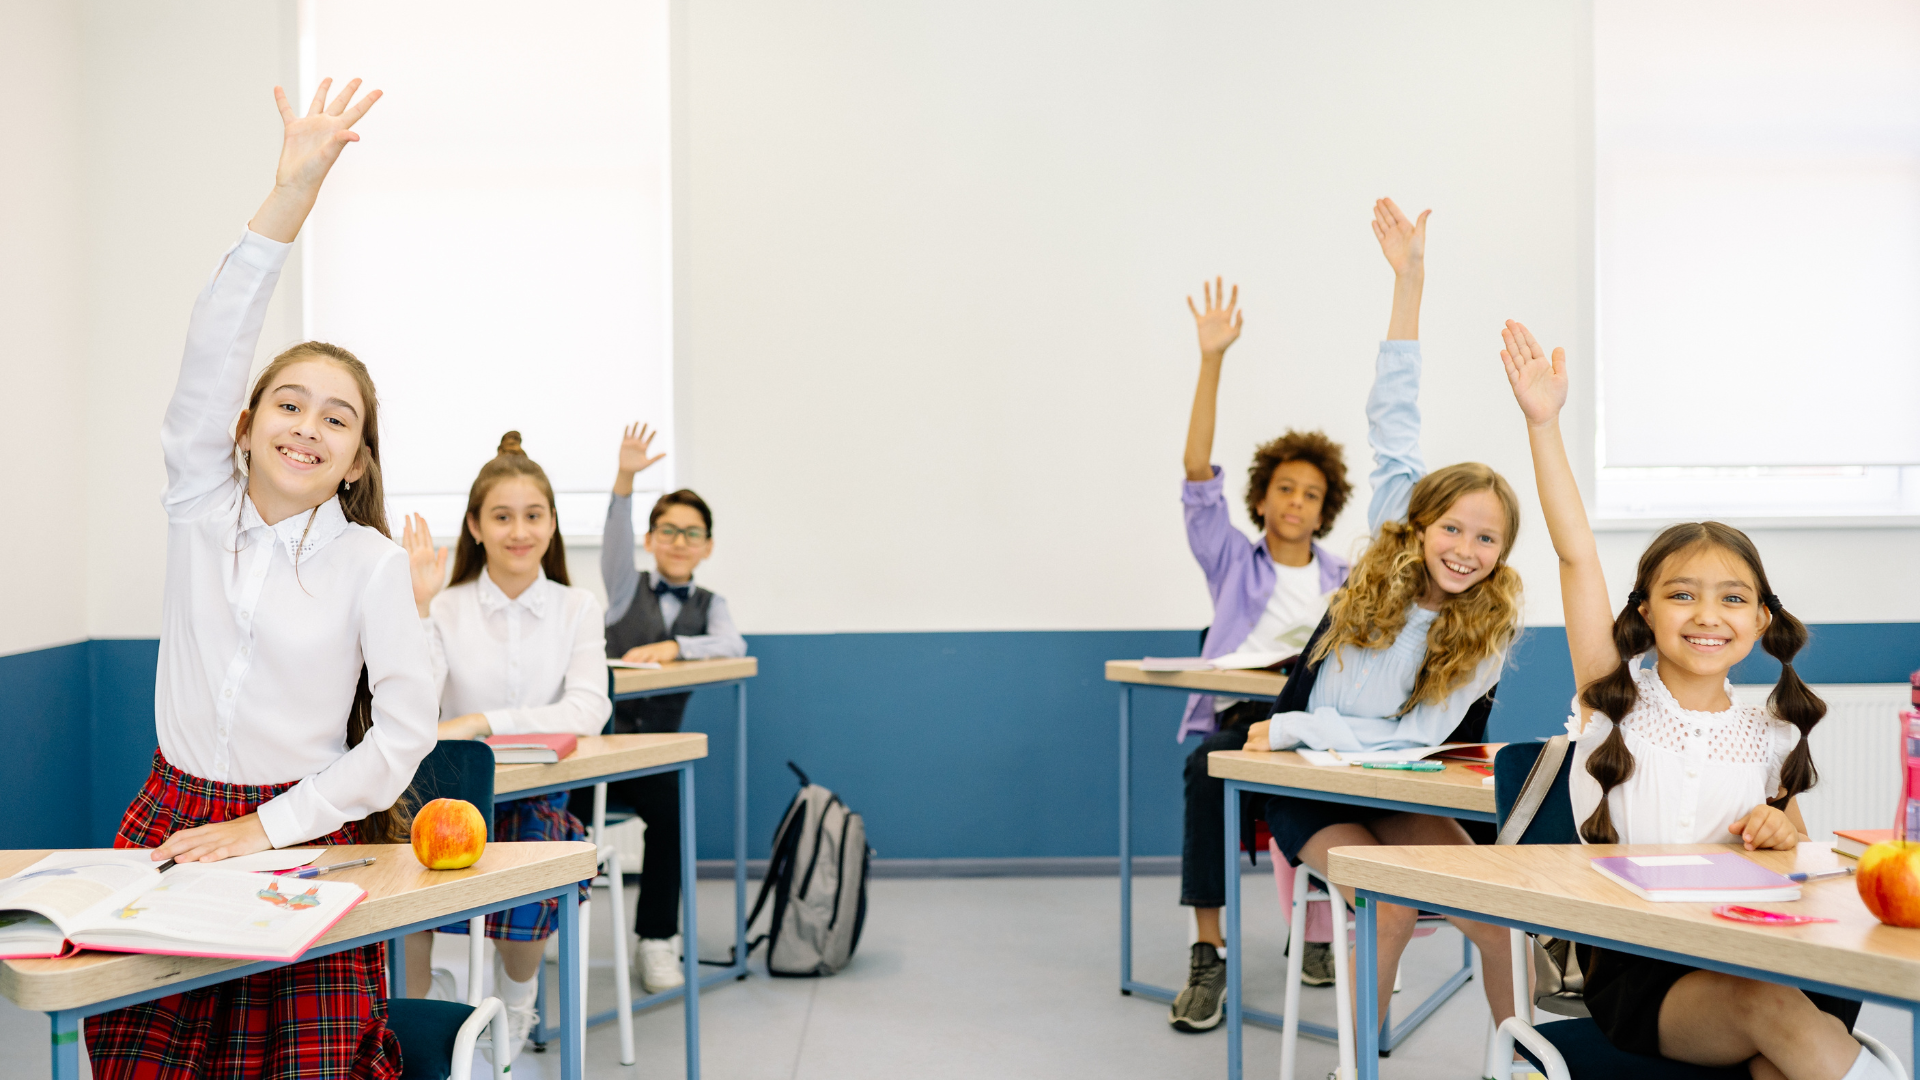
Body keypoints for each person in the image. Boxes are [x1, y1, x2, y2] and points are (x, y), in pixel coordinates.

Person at [86, 79, 436, 1080]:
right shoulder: (198, 506)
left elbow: (405, 733)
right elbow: (213, 346)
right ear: (241, 431)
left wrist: (263, 827)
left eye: (338, 418)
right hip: (171, 816)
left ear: (358, 462)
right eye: (288, 403)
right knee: (138, 1061)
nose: (308, 427)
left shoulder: (369, 567)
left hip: (302, 829)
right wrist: (291, 195)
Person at [1498, 319, 1885, 1080]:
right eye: (1683, 595)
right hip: (1651, 980)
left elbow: (1799, 865)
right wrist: (1544, 425)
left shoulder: (1771, 731)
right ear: (1646, 610)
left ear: (1760, 619)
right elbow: (1575, 552)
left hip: (1759, 953)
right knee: (1769, 1013)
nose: (1708, 615)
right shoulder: (1615, 701)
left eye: (1732, 598)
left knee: (1779, 1058)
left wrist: (1779, 829)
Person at [1236, 199, 1521, 1040]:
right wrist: (1410, 283)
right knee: (1391, 904)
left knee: (1496, 909)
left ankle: (1528, 1060)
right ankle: (1354, 1064)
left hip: (1375, 772)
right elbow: (1392, 414)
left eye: (1486, 539)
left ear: (1502, 555)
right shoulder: (1390, 544)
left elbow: (1416, 742)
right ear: (1422, 522)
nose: (1464, 550)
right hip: (1307, 787)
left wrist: (1298, 728)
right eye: (1453, 528)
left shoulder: (1487, 629)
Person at [1168, 278, 1354, 1031]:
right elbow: (1194, 473)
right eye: (1283, 488)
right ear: (1263, 497)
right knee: (1202, 767)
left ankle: (1316, 934)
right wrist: (1211, 360)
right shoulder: (1230, 561)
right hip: (1241, 717)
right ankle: (1207, 956)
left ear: (1324, 507)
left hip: (1312, 725)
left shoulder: (1348, 581)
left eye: (1309, 494)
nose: (1294, 503)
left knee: (1329, 784)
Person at [400, 432, 611, 1061]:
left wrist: (480, 720)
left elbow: (588, 710)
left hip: (536, 796)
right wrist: (415, 609)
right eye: (501, 516)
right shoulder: (445, 605)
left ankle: (517, 1004)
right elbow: (412, 710)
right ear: (475, 526)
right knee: (398, 865)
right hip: (446, 796)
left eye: (533, 515)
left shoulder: (578, 607)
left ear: (551, 523)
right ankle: (420, 1016)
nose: (519, 531)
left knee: (540, 856)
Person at [593, 422, 747, 992]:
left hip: (654, 758)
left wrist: (678, 647)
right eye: (668, 530)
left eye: (692, 533)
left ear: (707, 546)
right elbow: (614, 537)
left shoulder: (712, 605)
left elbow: (734, 645)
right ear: (651, 539)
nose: (679, 541)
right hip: (598, 750)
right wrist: (626, 479)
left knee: (673, 813)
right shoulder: (623, 588)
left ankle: (657, 941)